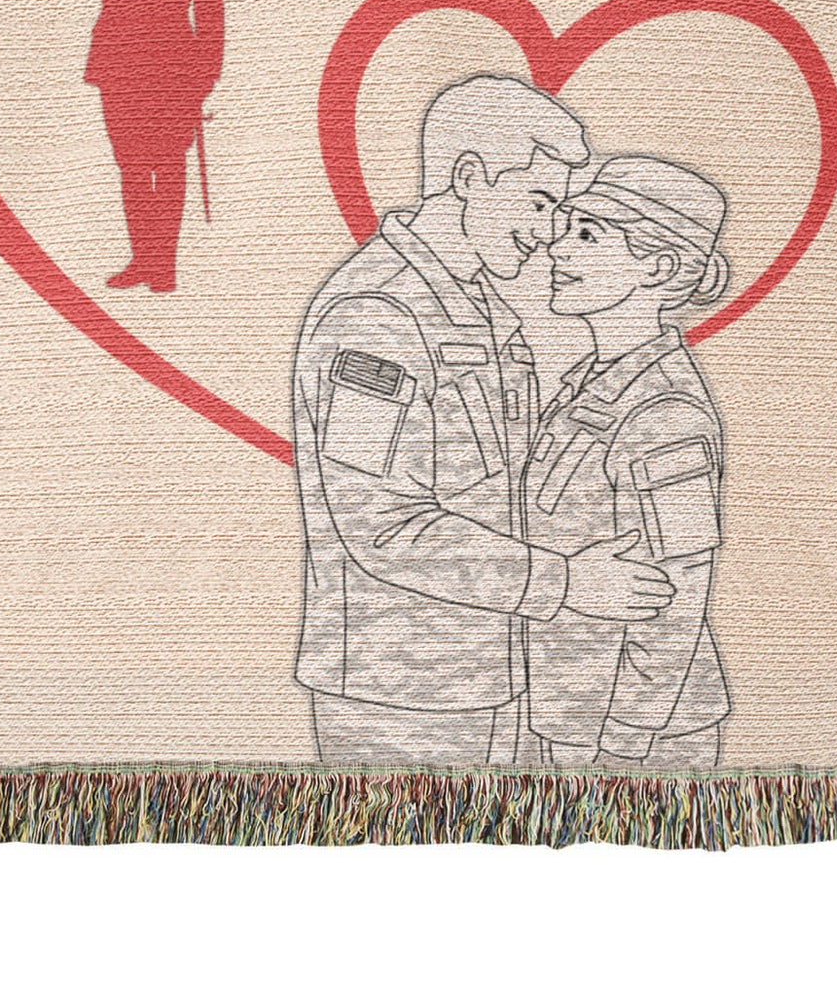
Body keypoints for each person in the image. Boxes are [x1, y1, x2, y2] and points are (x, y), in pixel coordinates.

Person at [291, 76, 682, 767]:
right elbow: (380, 523)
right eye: (540, 202)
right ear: (469, 177)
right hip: (400, 694)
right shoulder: (377, 316)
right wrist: (567, 583)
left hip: (493, 678)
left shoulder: (482, 312)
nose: (549, 234)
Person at [523, 156, 733, 770]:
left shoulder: (667, 411)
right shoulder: (588, 385)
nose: (558, 250)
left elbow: (681, 589)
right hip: (570, 714)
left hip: (638, 736)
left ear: (658, 267)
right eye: (565, 229)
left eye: (588, 235)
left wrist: (625, 738)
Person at [35, 0, 223, 294]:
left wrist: (204, 73)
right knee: (134, 166)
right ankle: (144, 261)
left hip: (171, 63)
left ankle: (163, 267)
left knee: (167, 164)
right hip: (121, 62)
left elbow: (211, 7)